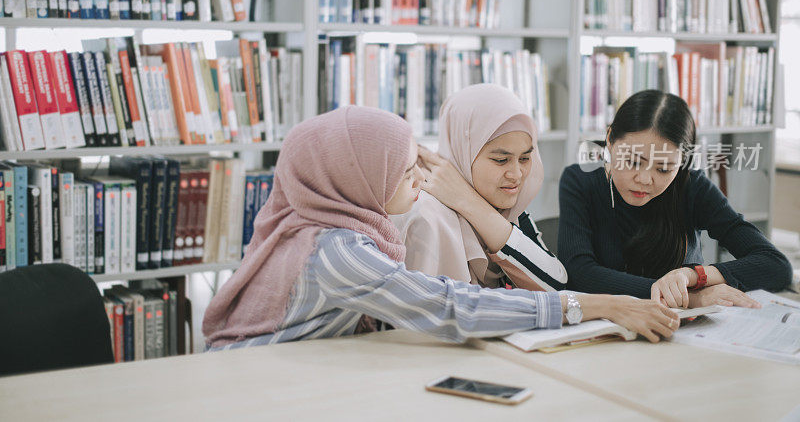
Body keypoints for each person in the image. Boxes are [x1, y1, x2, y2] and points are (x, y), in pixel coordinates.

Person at [202, 106, 679, 350]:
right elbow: (453, 306)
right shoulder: (337, 251)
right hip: (257, 385)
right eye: (402, 168)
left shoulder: (320, 218)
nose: (420, 177)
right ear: (358, 176)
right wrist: (598, 306)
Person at [557, 90, 793, 308]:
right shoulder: (580, 181)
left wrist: (694, 276)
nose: (644, 179)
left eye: (663, 169)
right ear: (610, 139)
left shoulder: (692, 186)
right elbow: (579, 274)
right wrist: (690, 298)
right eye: (633, 162)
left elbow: (775, 265)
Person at [392, 83, 567, 291]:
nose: (517, 174)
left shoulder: (505, 208)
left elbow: (557, 284)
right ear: (463, 151)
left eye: (525, 158)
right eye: (501, 160)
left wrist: (469, 202)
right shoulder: (424, 215)